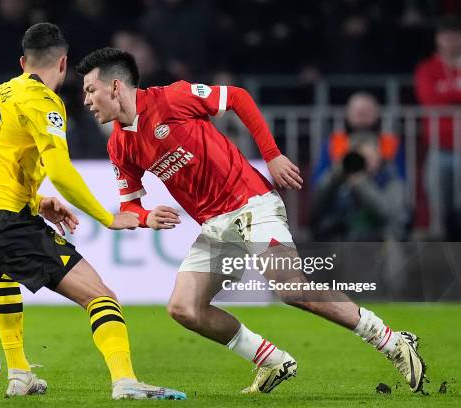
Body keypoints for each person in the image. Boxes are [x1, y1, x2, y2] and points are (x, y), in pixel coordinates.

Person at [76, 47, 426, 394]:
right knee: (184, 308)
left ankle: (391, 340)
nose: (87, 100)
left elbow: (239, 98)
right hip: (215, 226)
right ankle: (270, 359)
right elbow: (130, 206)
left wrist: (271, 156)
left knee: (290, 287)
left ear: (116, 86)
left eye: (91, 89)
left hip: (250, 203)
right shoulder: (120, 146)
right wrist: (145, 216)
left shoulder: (174, 97)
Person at [0, 24, 185, 400]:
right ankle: (125, 382)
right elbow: (61, 170)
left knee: (3, 275)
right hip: (0, 219)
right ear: (64, 64)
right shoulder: (44, 99)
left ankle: (19, 374)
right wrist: (108, 217)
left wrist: (36, 202)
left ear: (23, 62)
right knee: (101, 296)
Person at [414, 16, 461, 240]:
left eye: (455, 36)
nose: (451, 41)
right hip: (439, 147)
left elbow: (440, 97)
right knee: (439, 206)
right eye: (446, 36)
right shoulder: (427, 69)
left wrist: (447, 96)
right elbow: (430, 99)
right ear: (438, 40)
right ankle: (444, 254)